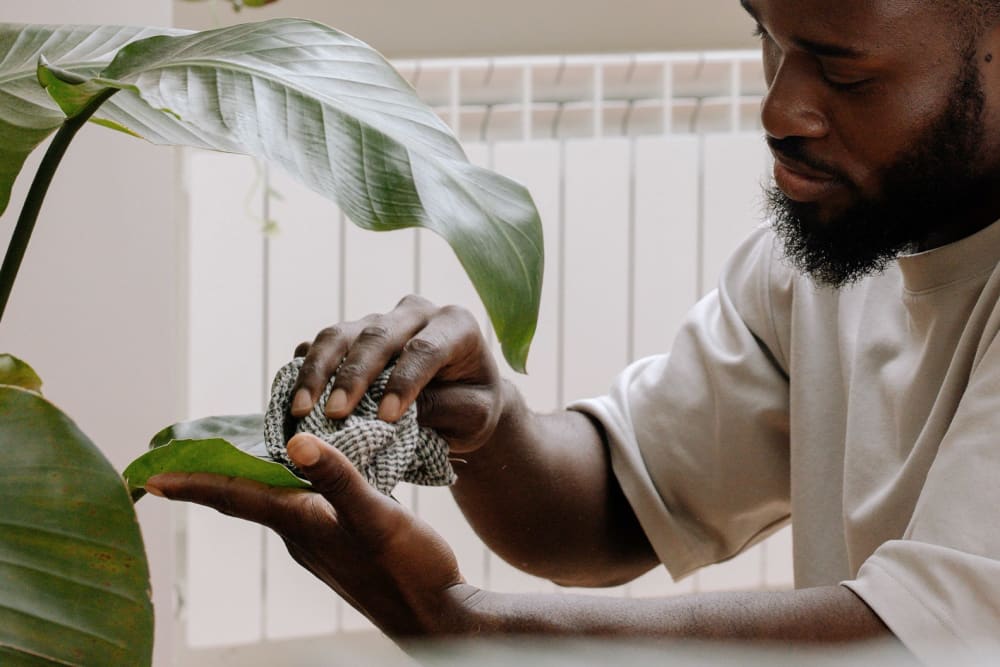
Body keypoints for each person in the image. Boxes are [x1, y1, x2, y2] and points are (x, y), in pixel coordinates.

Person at [146, 1, 1000, 661]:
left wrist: (465, 627)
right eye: (768, 37)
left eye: (843, 75)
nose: (778, 108)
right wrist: (487, 421)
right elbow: (615, 506)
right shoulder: (829, 251)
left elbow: (923, 641)